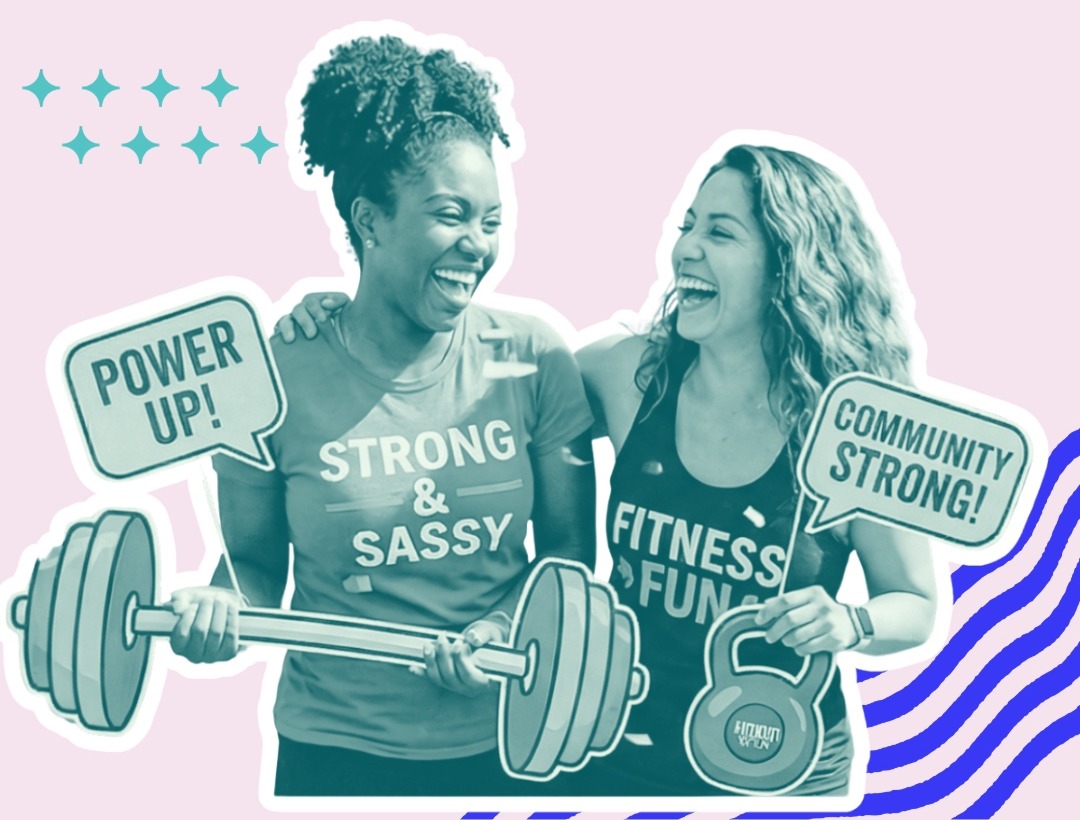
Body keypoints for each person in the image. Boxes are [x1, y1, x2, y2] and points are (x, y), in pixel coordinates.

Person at [282, 142, 938, 797]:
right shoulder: (631, 375)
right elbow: (474, 392)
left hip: (775, 762)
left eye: (720, 231)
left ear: (789, 266)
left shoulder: (853, 433)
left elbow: (914, 603)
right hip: (619, 756)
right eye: (687, 226)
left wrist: (854, 623)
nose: (685, 249)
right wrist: (347, 325)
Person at [167, 33, 595, 797]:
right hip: (335, 754)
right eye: (450, 215)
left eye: (492, 220)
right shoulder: (269, 381)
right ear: (370, 218)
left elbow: (566, 557)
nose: (478, 245)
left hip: (506, 747)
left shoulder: (533, 357)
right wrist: (220, 605)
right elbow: (257, 565)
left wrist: (504, 634)